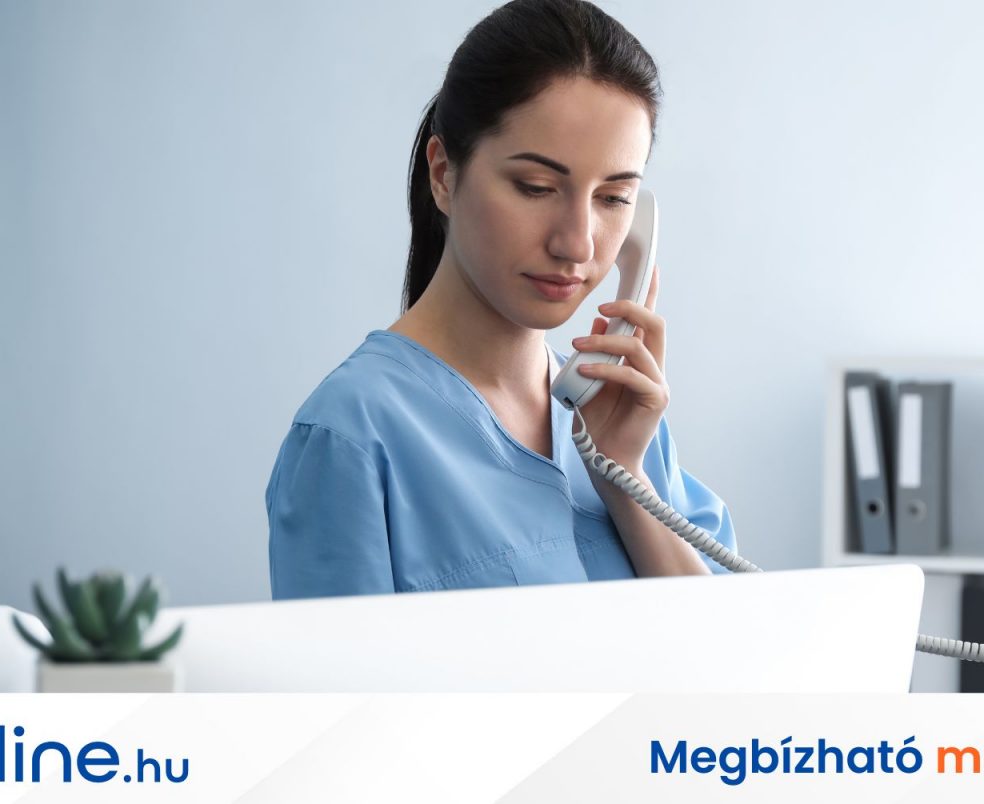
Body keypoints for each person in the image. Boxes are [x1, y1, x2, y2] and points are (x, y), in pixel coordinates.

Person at [266, 0, 736, 600]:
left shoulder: (623, 421)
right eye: (536, 187)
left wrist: (624, 478)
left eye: (614, 198)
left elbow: (726, 644)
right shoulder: (352, 436)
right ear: (444, 174)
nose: (577, 243)